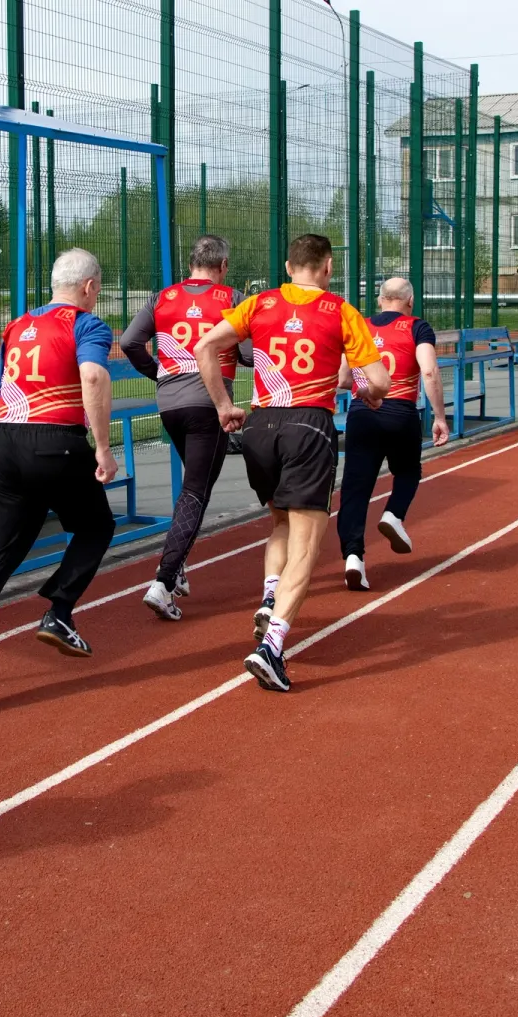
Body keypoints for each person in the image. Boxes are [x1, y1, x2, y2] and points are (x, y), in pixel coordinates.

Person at [192, 234, 390, 692]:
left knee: (280, 523)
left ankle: (269, 597)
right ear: (328, 267)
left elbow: (204, 347)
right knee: (307, 541)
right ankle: (273, 646)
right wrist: (365, 391)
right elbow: (378, 379)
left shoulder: (259, 303)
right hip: (309, 427)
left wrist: (224, 406)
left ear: (287, 265)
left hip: (260, 427)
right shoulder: (341, 311)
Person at [0, 249, 120, 711]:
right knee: (97, 525)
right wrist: (102, 446)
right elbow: (92, 377)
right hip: (55, 441)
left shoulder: (16, 326)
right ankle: (58, 609)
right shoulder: (87, 325)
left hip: (4, 444)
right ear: (90, 287)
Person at [117, 234, 251, 621]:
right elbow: (244, 356)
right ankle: (163, 579)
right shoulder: (231, 298)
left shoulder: (163, 297)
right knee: (196, 492)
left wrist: (157, 372)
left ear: (190, 263)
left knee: (192, 488)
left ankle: (177, 564)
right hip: (210, 404)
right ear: (223, 266)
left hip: (169, 404)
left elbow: (128, 341)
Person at [336, 277, 450, 591]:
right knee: (409, 471)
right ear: (410, 301)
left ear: (380, 299)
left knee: (356, 488)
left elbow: (343, 377)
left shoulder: (360, 326)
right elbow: (429, 370)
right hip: (401, 412)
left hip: (362, 415)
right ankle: (393, 514)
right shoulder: (417, 327)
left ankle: (353, 557)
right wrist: (439, 416)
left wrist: (364, 387)